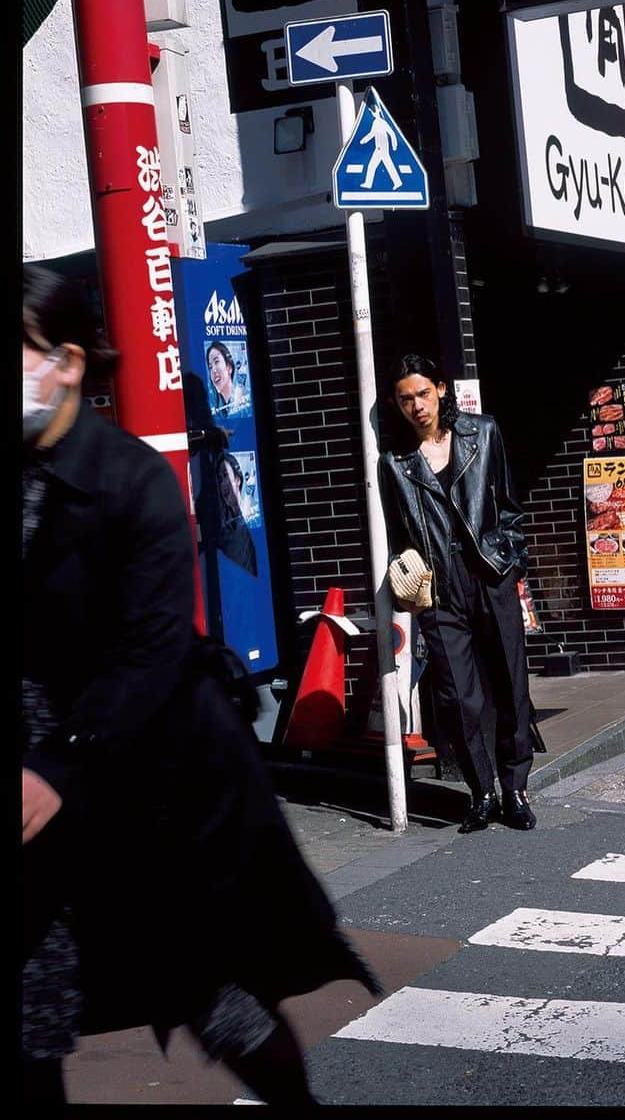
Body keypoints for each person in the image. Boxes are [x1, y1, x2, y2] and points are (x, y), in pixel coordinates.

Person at [22, 266, 381, 1106]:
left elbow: (147, 653)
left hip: (146, 783)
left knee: (204, 990)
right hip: (37, 779)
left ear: (67, 362)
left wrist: (57, 766)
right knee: (27, 1006)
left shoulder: (131, 481)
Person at [377, 353, 536, 833]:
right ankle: (482, 791)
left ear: (441, 390)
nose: (417, 406)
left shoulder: (482, 433)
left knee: (510, 686)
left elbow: (508, 506)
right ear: (396, 404)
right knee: (458, 697)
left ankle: (515, 789)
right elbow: (396, 532)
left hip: (490, 576)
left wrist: (511, 562)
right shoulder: (396, 463)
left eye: (423, 393)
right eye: (406, 399)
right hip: (438, 590)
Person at [207, 339, 249, 416]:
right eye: (210, 367)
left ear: (229, 367)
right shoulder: (217, 411)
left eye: (216, 362)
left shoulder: (245, 405)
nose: (213, 370)